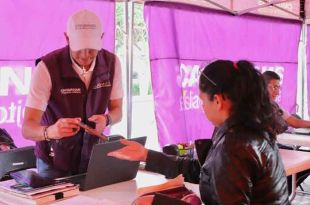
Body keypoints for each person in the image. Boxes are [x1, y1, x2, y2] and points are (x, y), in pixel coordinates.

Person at [109, 60, 290, 204]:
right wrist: (146, 155)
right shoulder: (245, 130)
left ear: (218, 101)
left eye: (203, 100)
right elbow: (202, 170)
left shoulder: (235, 146)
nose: (202, 107)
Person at [22, 9, 123, 179]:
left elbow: (117, 111)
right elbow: (27, 129)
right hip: (53, 163)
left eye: (91, 49)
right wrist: (51, 132)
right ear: (67, 38)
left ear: (101, 38)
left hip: (92, 159)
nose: (85, 56)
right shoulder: (47, 67)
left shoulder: (112, 63)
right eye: (79, 49)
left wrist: (106, 120)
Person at [263, 70, 310, 191]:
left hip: (272, 147)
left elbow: (295, 122)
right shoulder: (256, 105)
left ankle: (284, 190)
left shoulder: (274, 106)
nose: (277, 92)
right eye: (273, 87)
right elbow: (279, 126)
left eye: (278, 87)